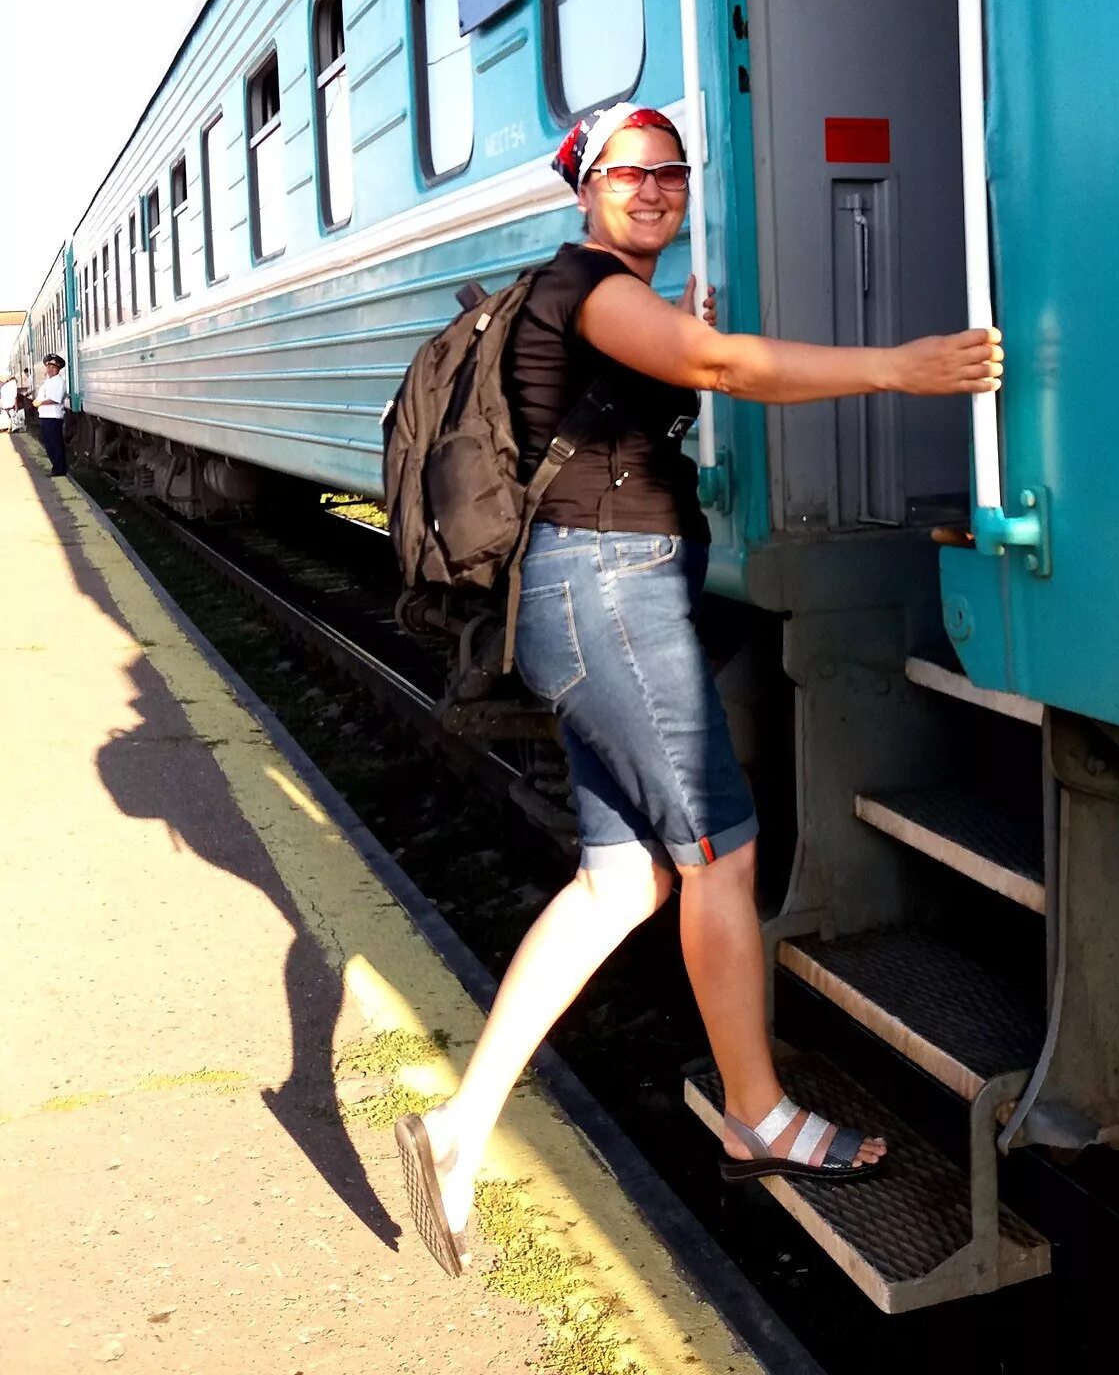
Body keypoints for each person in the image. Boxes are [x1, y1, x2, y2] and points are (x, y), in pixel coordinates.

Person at [394, 104, 1004, 1276]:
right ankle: (758, 1109)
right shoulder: (585, 286)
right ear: (584, 186)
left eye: (672, 171)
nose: (657, 188)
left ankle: (460, 1127)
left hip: (593, 605)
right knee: (719, 851)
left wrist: (681, 329)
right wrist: (902, 367)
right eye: (630, 172)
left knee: (619, 878)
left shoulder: (603, 300)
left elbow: (662, 369)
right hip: (609, 600)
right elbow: (720, 367)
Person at [35, 355, 68, 476]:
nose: (48, 369)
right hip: (45, 416)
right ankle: (56, 467)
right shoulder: (47, 382)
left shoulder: (59, 382)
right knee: (49, 444)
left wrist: (40, 402)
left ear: (56, 369)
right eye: (48, 366)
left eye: (51, 366)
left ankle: (60, 469)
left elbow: (55, 399)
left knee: (55, 444)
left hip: (53, 417)